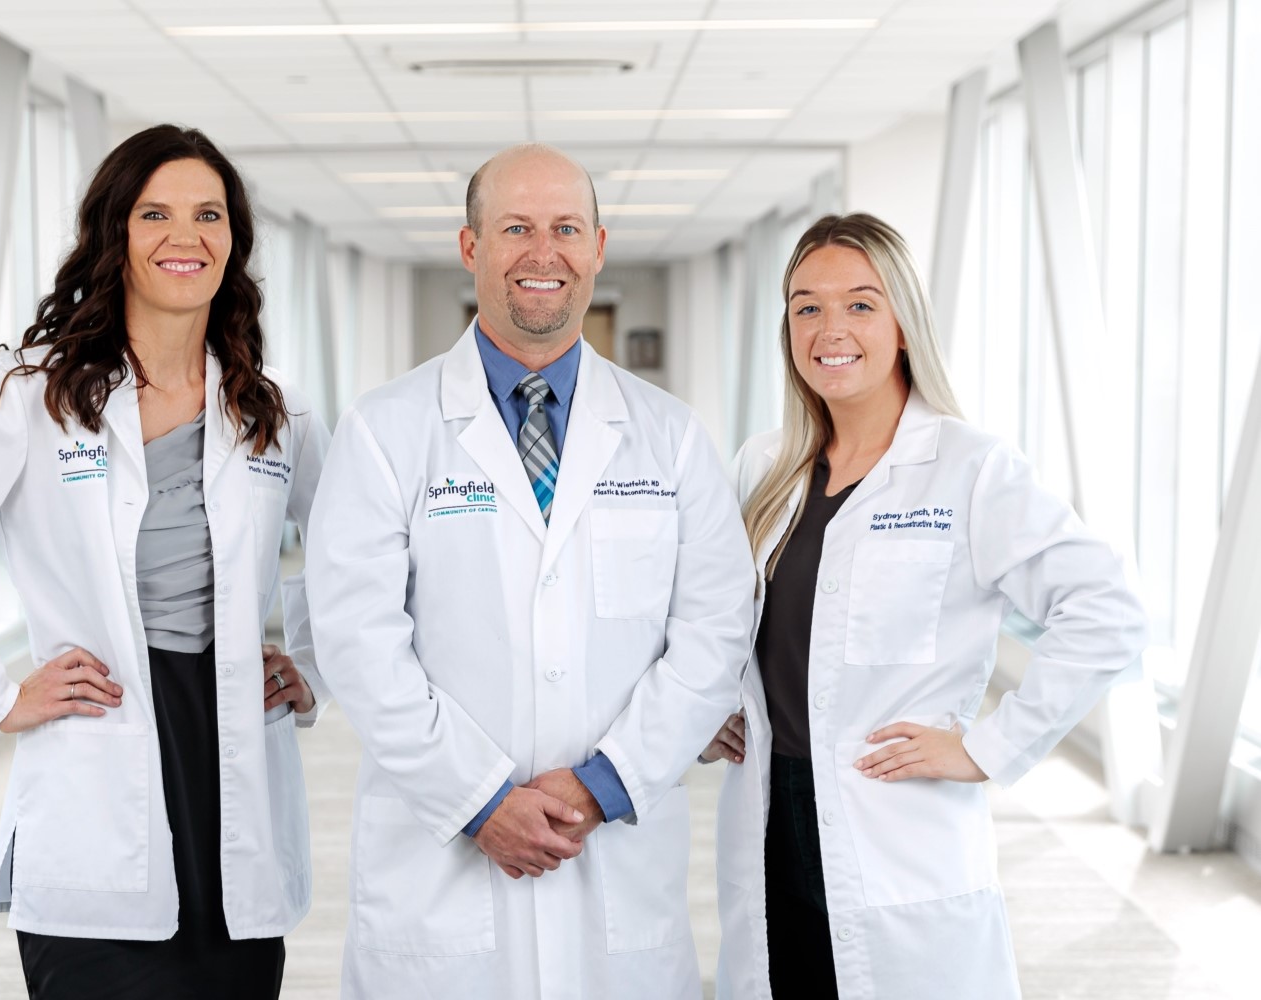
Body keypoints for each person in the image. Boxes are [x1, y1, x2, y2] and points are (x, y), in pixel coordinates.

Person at [0, 125, 329, 999]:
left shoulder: (275, 413)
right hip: (96, 764)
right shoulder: (32, 394)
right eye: (156, 214)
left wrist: (310, 662)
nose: (186, 237)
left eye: (208, 215)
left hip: (234, 772)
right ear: (116, 234)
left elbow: (352, 556)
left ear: (234, 241)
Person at [304, 143, 756, 999]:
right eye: (516, 227)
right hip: (441, 881)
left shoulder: (671, 436)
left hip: (616, 863)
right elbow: (358, 642)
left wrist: (604, 784)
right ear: (472, 247)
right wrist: (479, 800)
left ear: (597, 247)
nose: (542, 253)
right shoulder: (386, 431)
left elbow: (715, 633)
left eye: (565, 229)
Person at [704, 213, 1148, 999]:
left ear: (904, 324)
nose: (829, 329)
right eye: (806, 306)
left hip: (896, 836)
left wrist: (987, 747)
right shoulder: (762, 467)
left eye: (861, 304)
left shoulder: (971, 469)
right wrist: (707, 715)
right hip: (768, 823)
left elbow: (1106, 609)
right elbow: (720, 625)